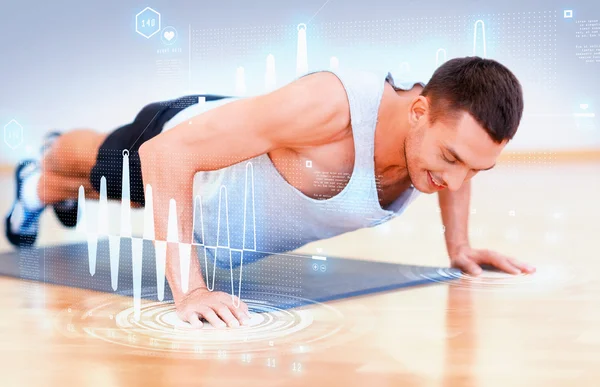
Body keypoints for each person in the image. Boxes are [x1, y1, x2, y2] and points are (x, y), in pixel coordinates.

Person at [5, 56, 537, 328]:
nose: (457, 179)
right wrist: (190, 291)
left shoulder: (437, 142)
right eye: (451, 159)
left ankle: (48, 188)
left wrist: (460, 246)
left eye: (476, 169)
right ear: (418, 111)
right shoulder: (330, 107)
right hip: (174, 140)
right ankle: (41, 171)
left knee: (115, 194)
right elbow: (165, 158)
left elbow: (457, 166)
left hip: (219, 201)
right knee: (103, 166)